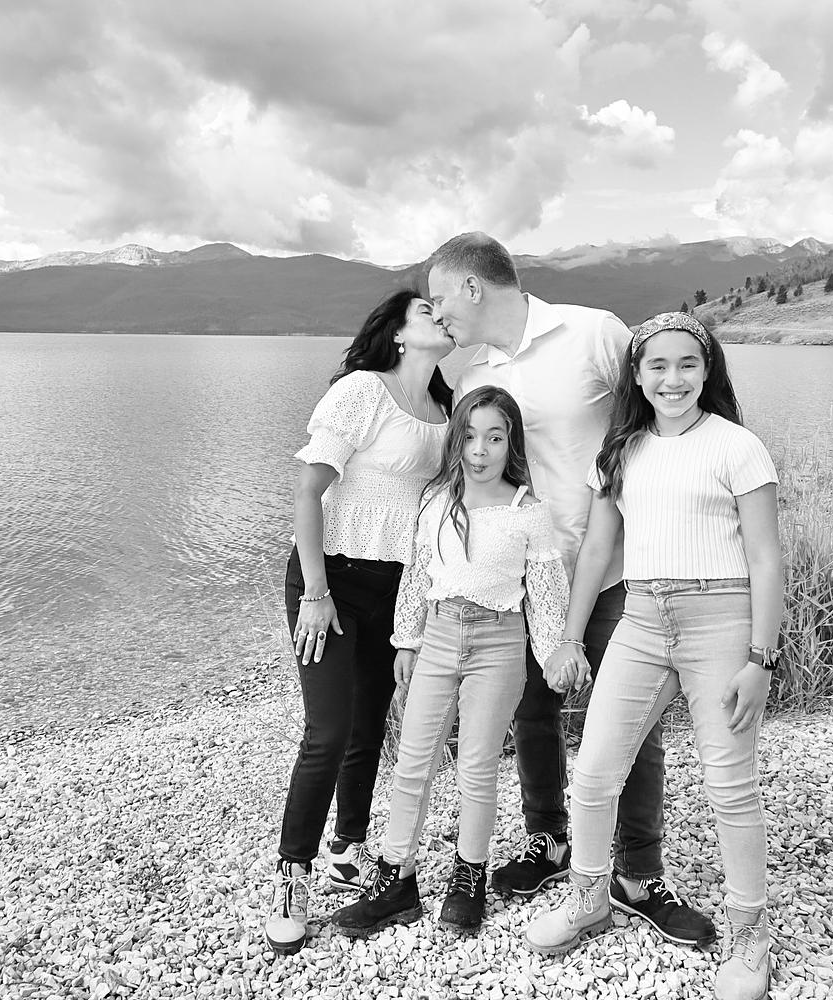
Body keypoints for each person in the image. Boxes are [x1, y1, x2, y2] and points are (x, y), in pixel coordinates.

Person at [426, 233, 715, 945]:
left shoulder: (592, 334)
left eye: (440, 298)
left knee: (631, 723)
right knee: (533, 713)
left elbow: (661, 414)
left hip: (615, 569)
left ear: (472, 287)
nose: (438, 314)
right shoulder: (472, 375)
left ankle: (638, 873)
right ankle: (549, 840)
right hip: (524, 580)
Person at [524, 311, 782, 1000]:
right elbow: (596, 551)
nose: (673, 379)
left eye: (687, 364)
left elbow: (765, 557)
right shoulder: (619, 452)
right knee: (594, 772)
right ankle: (589, 900)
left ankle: (750, 937)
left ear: (707, 369)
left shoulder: (737, 447)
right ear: (636, 376)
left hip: (719, 620)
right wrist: (569, 636)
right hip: (640, 619)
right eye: (657, 366)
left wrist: (761, 659)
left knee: (729, 783)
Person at [330, 386, 570, 937]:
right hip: (438, 637)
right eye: (469, 436)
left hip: (498, 644)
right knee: (413, 762)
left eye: (495, 437)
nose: (480, 450)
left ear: (511, 443)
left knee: (477, 767)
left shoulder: (528, 512)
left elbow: (545, 594)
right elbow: (418, 575)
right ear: (456, 440)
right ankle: (397, 879)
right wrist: (406, 640)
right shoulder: (437, 501)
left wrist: (554, 652)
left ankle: (469, 876)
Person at [264, 287, 455, 955]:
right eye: (426, 310)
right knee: (329, 730)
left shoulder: (445, 409)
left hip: (396, 588)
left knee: (371, 726)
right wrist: (315, 592)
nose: (441, 315)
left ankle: (347, 849)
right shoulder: (363, 391)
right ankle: (293, 875)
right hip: (332, 582)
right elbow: (307, 490)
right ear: (398, 333)